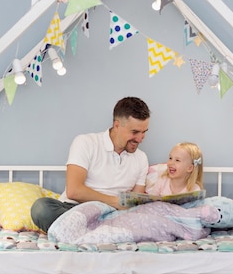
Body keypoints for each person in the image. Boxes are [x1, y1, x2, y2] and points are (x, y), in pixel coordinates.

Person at [31, 96, 151, 233]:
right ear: (117, 125)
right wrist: (113, 201)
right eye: (135, 132)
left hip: (112, 215)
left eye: (144, 132)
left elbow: (135, 203)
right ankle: (99, 233)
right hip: (75, 210)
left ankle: (82, 233)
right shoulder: (86, 143)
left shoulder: (141, 158)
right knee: (41, 208)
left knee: (146, 219)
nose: (140, 138)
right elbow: (74, 191)